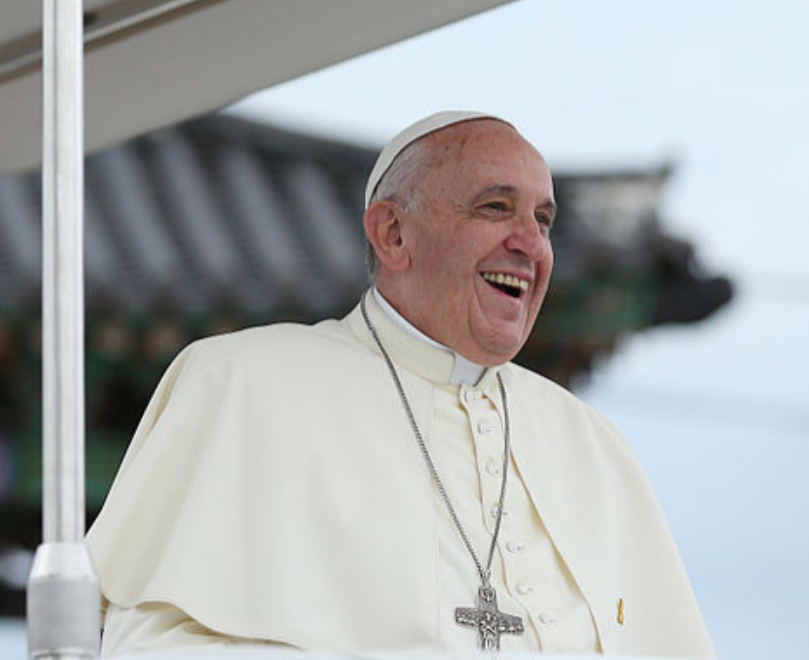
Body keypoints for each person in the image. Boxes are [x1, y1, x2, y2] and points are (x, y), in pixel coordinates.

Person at [85, 111, 714, 657]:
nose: (530, 244)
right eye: (495, 207)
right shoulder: (242, 384)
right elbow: (143, 648)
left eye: (543, 221)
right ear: (392, 233)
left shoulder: (594, 447)